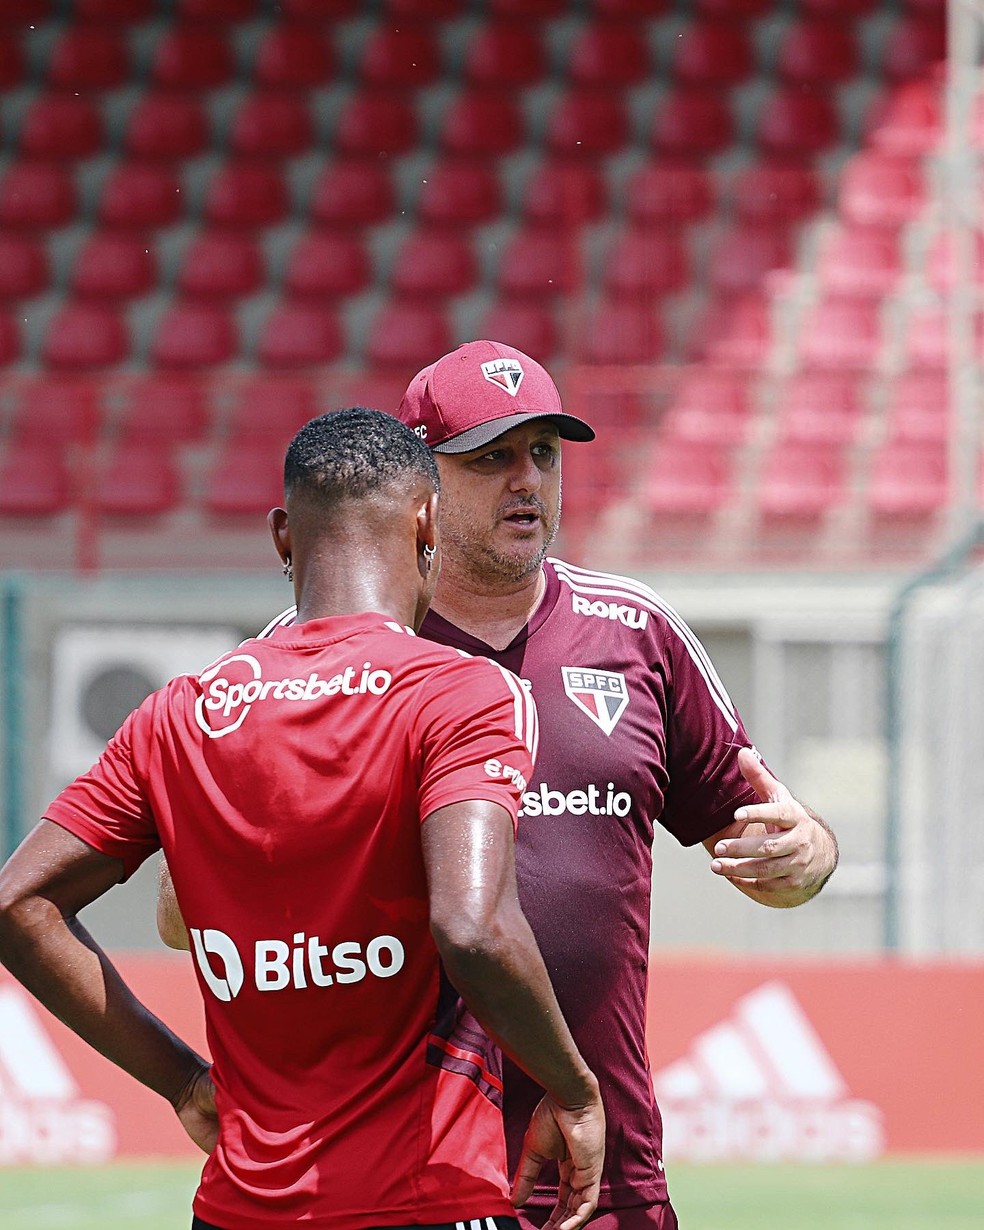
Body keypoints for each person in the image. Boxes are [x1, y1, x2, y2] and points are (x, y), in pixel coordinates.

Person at [161, 345, 840, 1230]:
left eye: (544, 455)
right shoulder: (308, 653)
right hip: (388, 1181)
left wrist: (806, 855)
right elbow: (186, 914)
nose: (528, 481)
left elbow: (771, 840)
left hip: (599, 1170)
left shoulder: (636, 633)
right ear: (419, 489)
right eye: (491, 457)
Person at [0, 407, 606, 1230]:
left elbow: (19, 906)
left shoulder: (181, 711)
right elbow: (473, 928)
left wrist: (183, 1080)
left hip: (239, 1209)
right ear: (428, 520)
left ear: (285, 537)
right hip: (423, 1202)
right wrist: (574, 1090)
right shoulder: (459, 693)